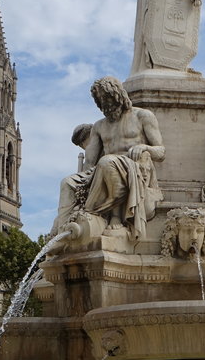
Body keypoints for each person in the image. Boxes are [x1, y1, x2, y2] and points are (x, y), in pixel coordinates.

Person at [49, 76, 165, 240]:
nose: (106, 104)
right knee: (67, 182)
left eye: (108, 99)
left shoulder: (143, 116)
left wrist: (144, 147)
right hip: (105, 169)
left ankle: (114, 216)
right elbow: (89, 162)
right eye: (101, 101)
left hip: (134, 169)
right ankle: (64, 233)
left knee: (106, 161)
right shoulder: (99, 126)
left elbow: (161, 152)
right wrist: (82, 182)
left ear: (119, 95)